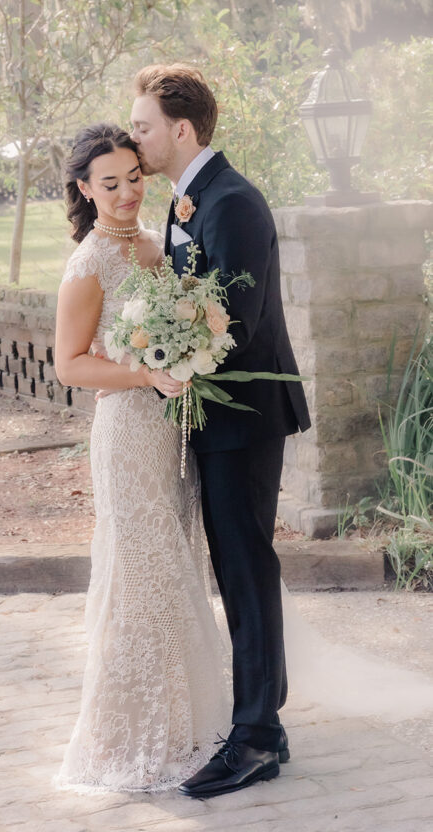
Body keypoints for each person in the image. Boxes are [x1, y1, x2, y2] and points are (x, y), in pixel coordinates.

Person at [129, 63, 311, 798]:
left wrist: (165, 350)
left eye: (143, 126)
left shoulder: (231, 202)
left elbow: (235, 321)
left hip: (242, 416)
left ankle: (257, 737)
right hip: (216, 416)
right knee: (235, 566)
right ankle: (262, 723)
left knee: (245, 566)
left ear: (181, 129)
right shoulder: (189, 200)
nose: (135, 136)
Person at [54, 122, 230, 793]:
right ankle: (125, 738)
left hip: (168, 432)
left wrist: (187, 349)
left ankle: (177, 722)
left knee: (171, 570)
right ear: (84, 189)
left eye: (134, 177)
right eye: (110, 183)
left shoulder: (153, 248)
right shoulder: (88, 264)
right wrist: (146, 374)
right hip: (127, 433)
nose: (127, 192)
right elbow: (69, 365)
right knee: (140, 578)